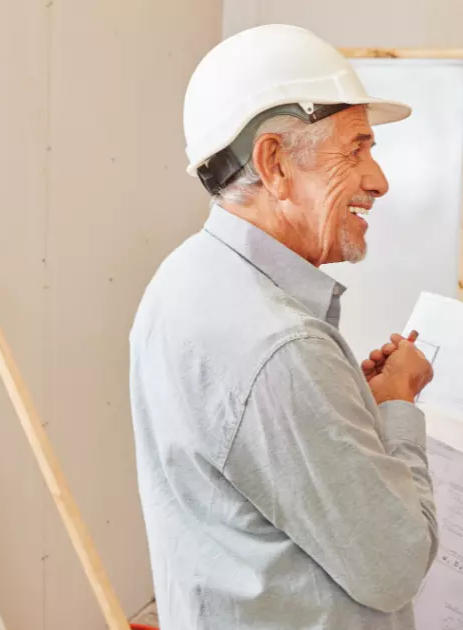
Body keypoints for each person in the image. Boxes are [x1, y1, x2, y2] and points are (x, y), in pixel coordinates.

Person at [128, 24, 438, 630]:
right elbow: (395, 564)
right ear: (274, 163)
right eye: (355, 149)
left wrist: (351, 403)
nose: (378, 180)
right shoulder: (282, 345)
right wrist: (398, 407)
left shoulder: (185, 278)